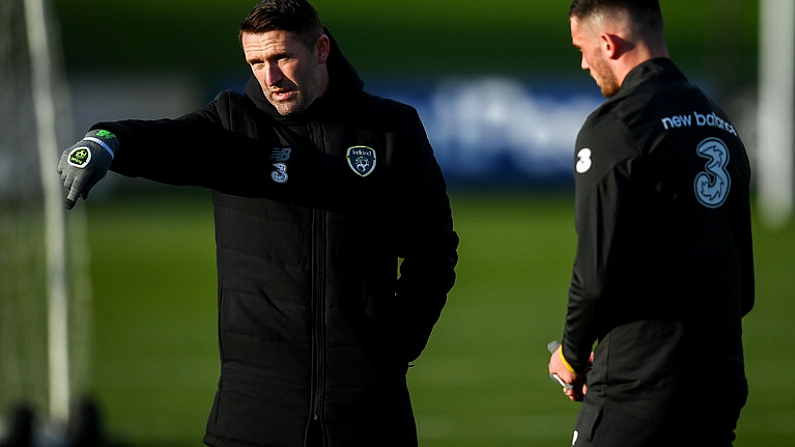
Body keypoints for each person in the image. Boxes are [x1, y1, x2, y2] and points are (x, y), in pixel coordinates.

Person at [57, 1, 459, 446]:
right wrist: (105, 141)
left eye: (283, 57)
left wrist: (399, 342)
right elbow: (165, 140)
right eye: (256, 62)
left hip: (370, 413)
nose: (270, 78)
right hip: (251, 410)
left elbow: (433, 247)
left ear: (321, 49)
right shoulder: (234, 124)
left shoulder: (390, 128)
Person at [547, 1, 754, 446]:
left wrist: (571, 354)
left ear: (608, 42)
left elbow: (595, 275)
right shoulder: (721, 124)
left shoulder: (616, 126)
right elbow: (743, 284)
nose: (583, 63)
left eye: (582, 48)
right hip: (718, 382)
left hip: (638, 388)